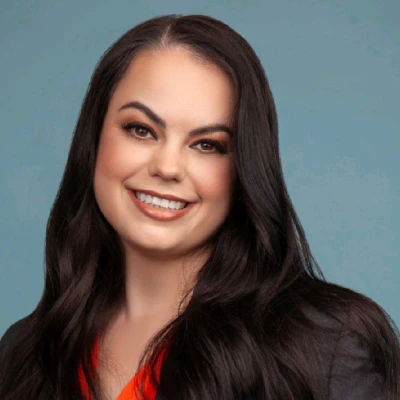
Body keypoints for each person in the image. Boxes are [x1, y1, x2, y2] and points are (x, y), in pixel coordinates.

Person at [0, 14, 399, 400]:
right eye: (141, 130)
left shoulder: (326, 349)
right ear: (94, 138)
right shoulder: (24, 353)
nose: (168, 167)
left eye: (207, 145)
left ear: (243, 169)